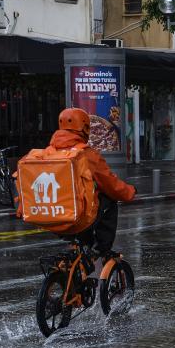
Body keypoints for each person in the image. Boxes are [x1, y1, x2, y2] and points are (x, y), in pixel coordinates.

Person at [49, 108, 136, 258]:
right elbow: (110, 184)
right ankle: (101, 248)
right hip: (77, 217)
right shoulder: (87, 155)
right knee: (109, 201)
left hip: (52, 216)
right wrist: (130, 192)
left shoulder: (49, 152)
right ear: (85, 128)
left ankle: (81, 254)